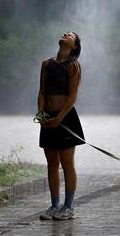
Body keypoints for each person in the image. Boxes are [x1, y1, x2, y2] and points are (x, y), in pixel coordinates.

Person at [37, 32, 84, 220]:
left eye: (70, 35)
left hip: (65, 117)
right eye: (65, 33)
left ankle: (69, 207)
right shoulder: (46, 64)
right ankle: (55, 205)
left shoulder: (73, 66)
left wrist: (59, 118)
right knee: (51, 164)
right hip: (47, 118)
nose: (66, 35)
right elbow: (41, 92)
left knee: (67, 164)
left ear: (74, 46)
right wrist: (41, 113)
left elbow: (72, 97)